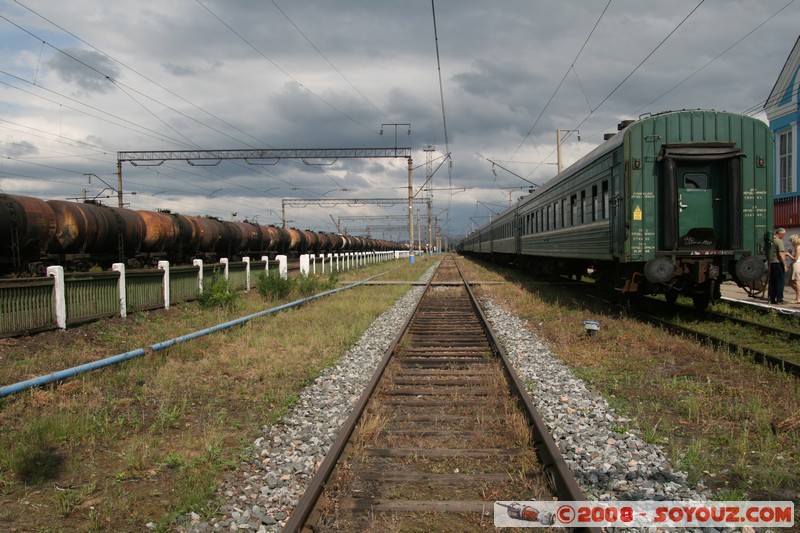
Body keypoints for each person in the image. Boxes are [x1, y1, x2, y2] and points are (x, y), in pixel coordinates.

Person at [767, 228, 788, 304]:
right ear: (780, 234)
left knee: (772, 281)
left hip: (771, 263)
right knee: (780, 281)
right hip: (778, 262)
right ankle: (780, 299)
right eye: (783, 235)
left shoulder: (771, 240)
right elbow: (781, 254)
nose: (783, 236)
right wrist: (785, 265)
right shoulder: (779, 241)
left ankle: (771, 298)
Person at [786, 234, 800, 304]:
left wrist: (788, 254)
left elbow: (795, 259)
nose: (791, 243)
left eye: (791, 241)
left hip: (797, 265)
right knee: (790, 282)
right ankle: (798, 295)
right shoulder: (796, 248)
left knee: (797, 282)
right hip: (795, 265)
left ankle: (798, 298)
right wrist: (791, 253)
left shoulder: (798, 248)